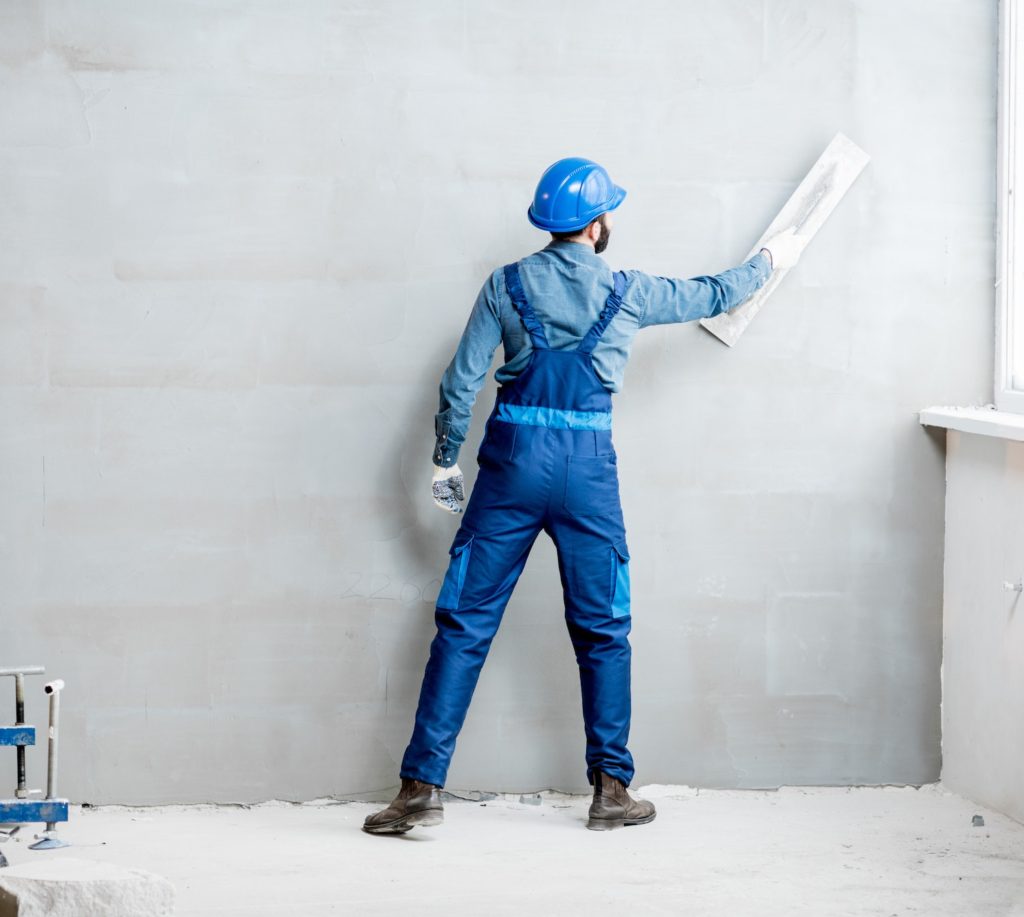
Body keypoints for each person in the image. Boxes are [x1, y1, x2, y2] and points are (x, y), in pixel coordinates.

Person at [363, 157, 801, 835]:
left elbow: (459, 382)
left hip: (509, 467)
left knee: (463, 623)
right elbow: (712, 293)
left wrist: (445, 459)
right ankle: (610, 788)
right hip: (588, 471)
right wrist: (768, 261)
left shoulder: (505, 284)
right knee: (604, 629)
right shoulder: (631, 291)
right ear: (598, 224)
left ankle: (419, 789)